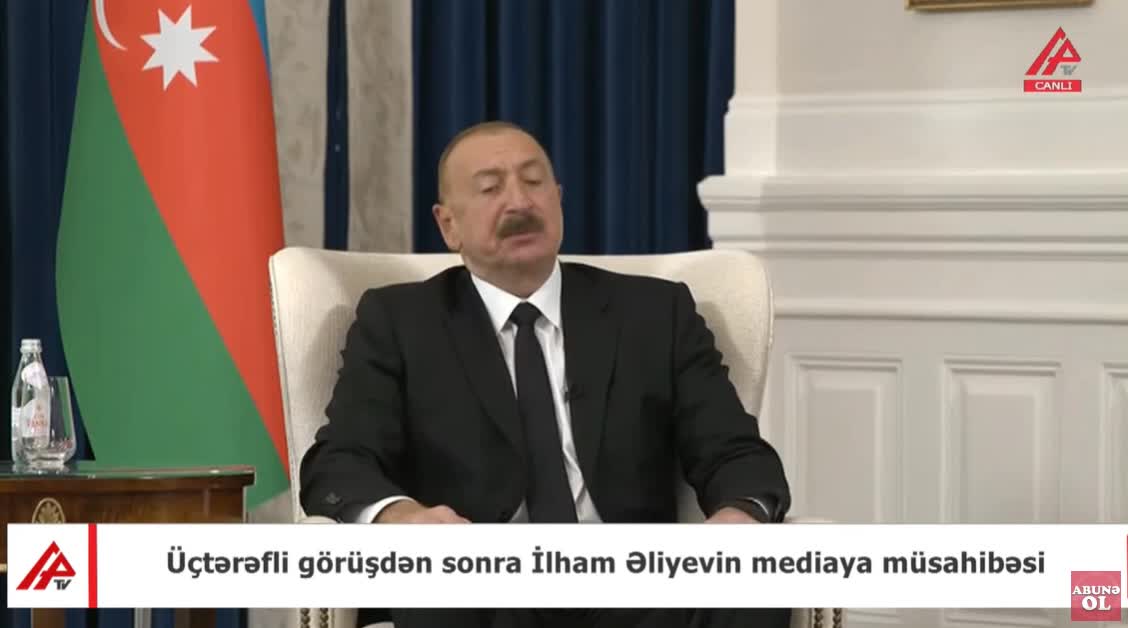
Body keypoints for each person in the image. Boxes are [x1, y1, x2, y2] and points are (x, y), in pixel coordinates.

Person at [299, 121, 792, 628]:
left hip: (636, 584)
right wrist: (404, 517)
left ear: (558, 200)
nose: (519, 202)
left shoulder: (653, 312)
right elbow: (338, 462)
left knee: (759, 582)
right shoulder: (400, 322)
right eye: (490, 188)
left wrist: (738, 516)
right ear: (449, 225)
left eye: (534, 182)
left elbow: (734, 452)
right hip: (483, 588)